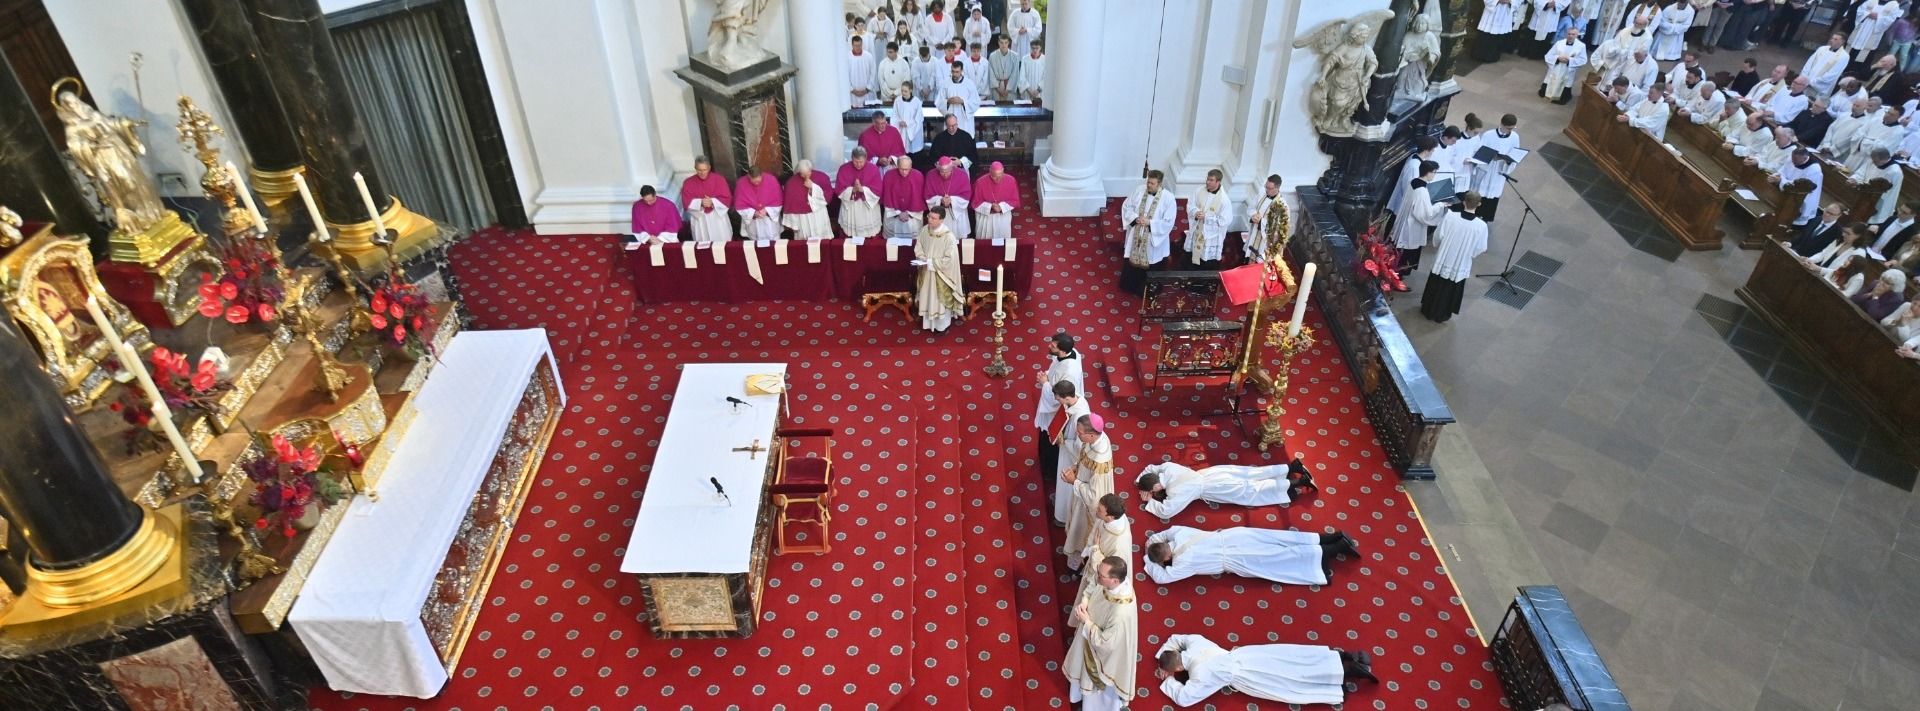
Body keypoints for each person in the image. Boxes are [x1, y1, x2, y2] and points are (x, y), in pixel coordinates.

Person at [1155, 634, 1377, 707]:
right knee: (1294, 658)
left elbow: (1184, 699)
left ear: (1178, 668)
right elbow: (1176, 638)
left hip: (1250, 677)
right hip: (1250, 655)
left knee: (1292, 682)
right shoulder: (1195, 643)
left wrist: (1168, 680)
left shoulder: (1199, 676)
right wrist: (1161, 654)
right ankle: (1346, 659)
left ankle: (1344, 677)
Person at [1142, 525, 1359, 585]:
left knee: (1280, 559)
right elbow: (1158, 537)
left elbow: (1161, 578)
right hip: (1232, 535)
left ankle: (1334, 549)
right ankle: (1329, 538)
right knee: (1280, 539)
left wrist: (1147, 560)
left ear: (1166, 560)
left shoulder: (1181, 563)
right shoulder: (1177, 533)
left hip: (1236, 558)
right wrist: (1150, 545)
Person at [1061, 555, 1137, 711]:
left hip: (1103, 658)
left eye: (1101, 575)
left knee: (1099, 694)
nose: (1097, 576)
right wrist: (1084, 602)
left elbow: (1106, 644)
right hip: (1088, 636)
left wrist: (1086, 622)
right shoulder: (1111, 584)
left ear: (1114, 580)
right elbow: (1094, 585)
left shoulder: (1121, 612)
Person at [1135, 458, 1316, 520]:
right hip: (1213, 473)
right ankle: (1291, 467)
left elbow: (1167, 511)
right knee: (1252, 474)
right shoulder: (1167, 467)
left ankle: (1299, 482)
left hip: (1215, 488)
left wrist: (1150, 500)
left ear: (1155, 486)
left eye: (1154, 491)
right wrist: (1139, 481)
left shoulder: (1176, 492)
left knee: (1252, 490)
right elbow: (1151, 468)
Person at [1421, 192, 1490, 323]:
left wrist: (1439, 247)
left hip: (1444, 258)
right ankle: (1442, 315)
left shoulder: (1450, 217)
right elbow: (1481, 247)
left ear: (1464, 202)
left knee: (1436, 283)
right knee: (1450, 289)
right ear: (1479, 204)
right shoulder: (1481, 226)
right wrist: (1469, 254)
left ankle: (1427, 309)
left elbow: (1438, 236)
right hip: (1460, 263)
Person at [1034, 331, 1086, 503]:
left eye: (1053, 345)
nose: (1049, 345)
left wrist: (1045, 383)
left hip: (1058, 412)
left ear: (1063, 350)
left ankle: (1049, 471)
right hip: (1057, 402)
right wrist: (1047, 376)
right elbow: (1055, 370)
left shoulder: (1069, 370)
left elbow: (1059, 396)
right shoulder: (1070, 354)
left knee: (1050, 440)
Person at [1063, 414, 1115, 570]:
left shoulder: (1099, 457)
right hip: (1081, 489)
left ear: (1091, 435)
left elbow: (1094, 496)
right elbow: (1084, 456)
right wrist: (1076, 467)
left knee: (1080, 533)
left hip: (1088, 506)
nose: (1077, 435)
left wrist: (1074, 481)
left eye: (1080, 433)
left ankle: (1078, 565)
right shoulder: (1098, 438)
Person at [1069, 496, 1132, 625]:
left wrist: (1095, 550)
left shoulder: (1118, 545)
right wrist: (1087, 552)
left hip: (1101, 578)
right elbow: (1096, 532)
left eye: (1099, 509)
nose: (1095, 510)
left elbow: (1110, 570)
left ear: (1110, 516)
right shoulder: (1109, 519)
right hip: (1093, 561)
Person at [1119, 171, 1178, 293]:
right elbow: (1127, 206)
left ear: (1159, 184)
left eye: (1152, 183)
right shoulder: (1139, 190)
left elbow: (1168, 222)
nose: (1148, 185)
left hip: (1153, 236)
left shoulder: (1169, 198)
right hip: (1137, 232)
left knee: (1152, 262)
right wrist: (1135, 218)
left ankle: (1146, 290)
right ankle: (1130, 286)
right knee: (1132, 264)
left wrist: (1150, 223)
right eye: (1148, 182)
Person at [913, 206, 965, 332]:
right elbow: (919, 245)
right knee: (927, 296)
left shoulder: (949, 237)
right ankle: (928, 323)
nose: (929, 220)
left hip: (941, 275)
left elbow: (950, 260)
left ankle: (942, 326)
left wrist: (931, 262)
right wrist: (921, 257)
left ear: (941, 220)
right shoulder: (925, 230)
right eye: (929, 216)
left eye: (933, 218)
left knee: (939, 300)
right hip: (926, 272)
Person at [1050, 380, 1094, 525]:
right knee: (1061, 482)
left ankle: (1063, 516)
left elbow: (1080, 447)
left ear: (1067, 397)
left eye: (1059, 399)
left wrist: (1063, 441)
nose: (1058, 401)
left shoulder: (1081, 416)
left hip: (1071, 457)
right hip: (1066, 450)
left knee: (1066, 486)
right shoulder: (1077, 398)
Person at [1394, 160, 1449, 274]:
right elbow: (1425, 214)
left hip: (1406, 220)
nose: (1434, 175)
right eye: (1434, 172)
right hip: (1413, 225)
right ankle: (1400, 275)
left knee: (1402, 251)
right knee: (1408, 252)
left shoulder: (1413, 181)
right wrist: (1441, 205)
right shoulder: (1422, 191)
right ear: (1428, 172)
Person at [1468, 114, 1521, 221]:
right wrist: (1491, 157)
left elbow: (1515, 154)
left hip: (1498, 172)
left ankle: (1486, 218)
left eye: (1512, 128)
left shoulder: (1515, 137)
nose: (1510, 131)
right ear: (1501, 124)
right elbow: (1479, 152)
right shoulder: (1488, 135)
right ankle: (1474, 215)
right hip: (1486, 170)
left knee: (1492, 198)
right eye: (1508, 128)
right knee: (1479, 194)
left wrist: (1508, 161)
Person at [1185, 169, 1233, 268]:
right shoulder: (1199, 191)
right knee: (1191, 258)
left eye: (1211, 180)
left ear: (1218, 182)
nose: (1207, 182)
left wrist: (1206, 217)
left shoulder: (1224, 200)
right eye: (1207, 179)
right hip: (1197, 229)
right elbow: (1191, 204)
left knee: (1205, 261)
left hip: (1211, 236)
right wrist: (1195, 212)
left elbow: (1225, 221)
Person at [680, 157, 733, 244]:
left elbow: (727, 198)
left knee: (722, 242)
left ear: (709, 168)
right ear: (695, 168)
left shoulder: (719, 179)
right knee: (703, 244)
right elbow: (686, 202)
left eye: (704, 170)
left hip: (717, 216)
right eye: (699, 170)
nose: (702, 173)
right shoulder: (688, 183)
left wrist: (713, 202)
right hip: (700, 218)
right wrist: (700, 203)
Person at [836, 147, 884, 239]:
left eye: (861, 162)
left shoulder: (873, 169)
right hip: (851, 206)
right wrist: (852, 190)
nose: (858, 164)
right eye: (856, 161)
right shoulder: (844, 169)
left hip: (867, 206)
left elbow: (878, 190)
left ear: (866, 158)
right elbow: (839, 189)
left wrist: (863, 190)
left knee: (869, 237)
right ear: (851, 158)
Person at [780, 161, 833, 240]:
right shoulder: (791, 183)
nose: (805, 176)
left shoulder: (821, 177)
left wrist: (813, 187)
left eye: (807, 173)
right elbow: (790, 204)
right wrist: (794, 223)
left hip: (818, 214)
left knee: (821, 239)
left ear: (811, 169)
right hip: (802, 218)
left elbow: (826, 196)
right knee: (804, 240)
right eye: (802, 174)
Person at [924, 156, 973, 238]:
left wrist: (952, 200)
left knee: (957, 240)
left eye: (947, 172)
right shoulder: (931, 175)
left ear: (952, 168)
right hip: (939, 215)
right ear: (938, 168)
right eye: (942, 172)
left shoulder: (962, 174)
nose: (945, 174)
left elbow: (966, 195)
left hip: (957, 214)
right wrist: (940, 200)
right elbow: (928, 196)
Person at [972, 161, 1021, 241]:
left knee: (1002, 241)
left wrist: (1001, 207)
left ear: (1003, 171)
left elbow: (1014, 200)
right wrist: (990, 206)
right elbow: (975, 203)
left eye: (1000, 175)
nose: (998, 179)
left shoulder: (1011, 180)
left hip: (1003, 216)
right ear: (990, 172)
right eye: (994, 176)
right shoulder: (980, 182)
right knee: (985, 241)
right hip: (986, 217)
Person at [881, 156, 926, 240]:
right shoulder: (889, 175)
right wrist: (898, 213)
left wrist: (908, 213)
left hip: (912, 215)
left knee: (912, 239)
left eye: (907, 169)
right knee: (893, 240)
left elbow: (919, 199)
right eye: (902, 169)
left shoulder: (918, 176)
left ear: (911, 166)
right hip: (893, 213)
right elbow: (887, 197)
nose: (904, 172)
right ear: (897, 166)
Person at [1804, 221, 1873, 276]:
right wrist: (1809, 260)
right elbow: (1823, 254)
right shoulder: (1840, 240)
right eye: (1844, 231)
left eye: (1848, 233)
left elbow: (1843, 272)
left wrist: (1819, 269)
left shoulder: (1859, 253)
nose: (1843, 234)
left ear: (1859, 236)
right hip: (1819, 274)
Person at [734, 166, 783, 241]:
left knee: (774, 243)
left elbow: (778, 199)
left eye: (758, 180)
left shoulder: (771, 180)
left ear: (761, 175)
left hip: (769, 221)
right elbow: (740, 204)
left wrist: (767, 211)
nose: (757, 183)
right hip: (754, 222)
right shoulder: (741, 184)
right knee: (756, 244)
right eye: (754, 181)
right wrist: (753, 213)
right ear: (749, 176)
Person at [1858, 147, 1905, 224]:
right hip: (1866, 193)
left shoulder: (1895, 172)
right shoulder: (1876, 162)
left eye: (1875, 161)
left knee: (1871, 219)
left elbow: (1884, 190)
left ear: (1883, 159)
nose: (1873, 162)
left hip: (1880, 199)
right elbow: (1865, 172)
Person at [1542, 27, 1590, 103]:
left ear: (1577, 35)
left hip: (1568, 69)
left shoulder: (1581, 46)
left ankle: (1561, 98)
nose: (1570, 36)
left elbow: (1583, 60)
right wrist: (1558, 58)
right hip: (1557, 67)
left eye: (1573, 34)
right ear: (1566, 34)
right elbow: (1548, 55)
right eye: (1569, 34)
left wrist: (1570, 60)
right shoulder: (1559, 43)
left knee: (1565, 83)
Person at [1245, 175, 1287, 261]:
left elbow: (1279, 228)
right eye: (1266, 186)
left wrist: (1261, 222)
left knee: (1260, 260)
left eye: (1269, 188)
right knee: (1249, 255)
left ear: (1277, 188)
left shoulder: (1282, 205)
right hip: (1254, 232)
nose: (1266, 190)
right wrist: (1253, 215)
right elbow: (1251, 207)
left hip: (1265, 241)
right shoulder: (1262, 194)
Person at [936, 61, 982, 135]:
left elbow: (976, 102)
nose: (954, 74)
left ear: (962, 71)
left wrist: (963, 102)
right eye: (953, 71)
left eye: (957, 72)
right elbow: (939, 102)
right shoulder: (945, 83)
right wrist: (948, 101)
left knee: (964, 138)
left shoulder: (969, 84)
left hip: (964, 121)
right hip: (950, 118)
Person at [1851, 0, 1902, 65]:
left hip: (1874, 32)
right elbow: (1860, 10)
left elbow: (1891, 19)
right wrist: (1867, 14)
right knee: (1852, 50)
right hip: (1861, 30)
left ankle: (1856, 67)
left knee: (1864, 55)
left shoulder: (1894, 5)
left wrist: (1878, 17)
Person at [893, 85, 926, 154]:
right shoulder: (897, 100)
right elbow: (894, 114)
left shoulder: (916, 101)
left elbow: (919, 117)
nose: (903, 93)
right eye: (902, 91)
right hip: (902, 128)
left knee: (914, 152)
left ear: (910, 90)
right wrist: (899, 121)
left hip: (913, 129)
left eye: (905, 91)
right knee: (902, 150)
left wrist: (907, 123)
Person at [847, 36, 877, 108]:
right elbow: (844, 76)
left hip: (867, 93)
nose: (858, 47)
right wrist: (852, 90)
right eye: (856, 45)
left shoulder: (868, 56)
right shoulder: (847, 57)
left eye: (859, 45)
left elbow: (873, 73)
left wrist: (867, 89)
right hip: (852, 95)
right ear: (852, 45)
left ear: (862, 44)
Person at [987, 35, 1019, 102]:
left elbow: (1015, 74)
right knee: (996, 106)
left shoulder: (1015, 56)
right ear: (998, 43)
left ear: (1008, 43)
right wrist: (998, 89)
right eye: (1001, 42)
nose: (1003, 45)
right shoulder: (992, 56)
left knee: (1010, 106)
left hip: (1009, 88)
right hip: (997, 88)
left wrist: (1008, 89)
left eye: (1006, 42)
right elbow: (991, 74)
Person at [1016, 40, 1047, 105]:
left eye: (1037, 48)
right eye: (1033, 48)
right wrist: (1029, 90)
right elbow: (1022, 76)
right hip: (1027, 93)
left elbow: (1046, 77)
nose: (1035, 50)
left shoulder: (1045, 59)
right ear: (1030, 47)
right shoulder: (1025, 59)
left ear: (1040, 48)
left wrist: (1038, 90)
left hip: (1040, 94)